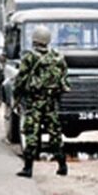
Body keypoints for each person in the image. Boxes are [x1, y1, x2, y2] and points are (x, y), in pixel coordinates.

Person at [14, 25, 69, 178]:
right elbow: (64, 80)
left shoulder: (30, 57)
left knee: (31, 133)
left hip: (35, 101)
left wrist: (17, 96)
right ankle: (62, 165)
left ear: (34, 40)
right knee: (55, 133)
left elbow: (21, 79)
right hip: (51, 102)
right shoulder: (57, 57)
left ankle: (28, 168)